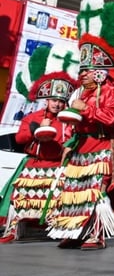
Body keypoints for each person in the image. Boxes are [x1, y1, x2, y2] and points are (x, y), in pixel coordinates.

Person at [46, 0, 114, 250]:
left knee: (95, 191)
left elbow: (113, 118)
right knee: (73, 190)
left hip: (103, 149)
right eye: (81, 70)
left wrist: (87, 112)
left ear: (99, 72)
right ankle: (73, 231)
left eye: (86, 71)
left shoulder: (111, 91)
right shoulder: (80, 92)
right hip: (81, 149)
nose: (81, 75)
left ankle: (95, 234)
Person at [0, 45, 78, 244]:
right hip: (32, 166)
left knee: (57, 200)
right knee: (19, 198)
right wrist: (35, 130)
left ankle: (59, 231)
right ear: (46, 99)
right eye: (54, 100)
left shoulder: (68, 121)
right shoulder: (32, 117)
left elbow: (71, 143)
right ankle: (12, 230)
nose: (57, 104)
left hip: (56, 167)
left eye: (61, 101)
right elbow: (19, 139)